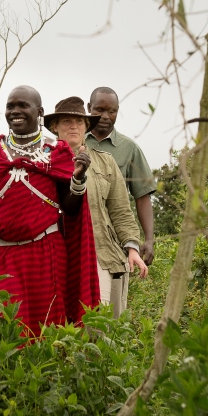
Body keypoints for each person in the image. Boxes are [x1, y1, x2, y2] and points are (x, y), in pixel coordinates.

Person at [0, 86, 100, 337]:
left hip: (45, 254)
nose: (15, 112)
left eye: (23, 106)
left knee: (45, 335)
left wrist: (77, 178)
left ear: (40, 112)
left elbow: (71, 210)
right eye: (11, 106)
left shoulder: (57, 154)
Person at [44, 96, 147, 318]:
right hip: (55, 256)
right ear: (54, 127)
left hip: (100, 255)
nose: (74, 126)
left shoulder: (106, 162)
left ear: (87, 126)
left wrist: (132, 248)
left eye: (79, 122)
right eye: (66, 121)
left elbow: (120, 210)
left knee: (100, 327)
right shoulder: (42, 162)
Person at [86, 86, 157, 266]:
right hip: (80, 234)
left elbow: (142, 197)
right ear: (89, 108)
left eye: (112, 111)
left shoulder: (129, 149)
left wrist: (149, 239)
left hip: (115, 239)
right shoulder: (73, 142)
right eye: (99, 110)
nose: (105, 116)